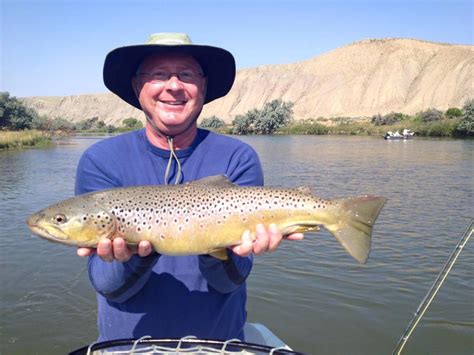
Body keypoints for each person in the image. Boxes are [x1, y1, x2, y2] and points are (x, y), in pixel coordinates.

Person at [75, 33, 304, 342]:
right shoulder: (101, 160)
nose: (173, 86)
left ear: (203, 87)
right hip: (127, 346)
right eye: (158, 75)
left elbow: (229, 282)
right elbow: (109, 286)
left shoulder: (238, 157)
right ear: (136, 87)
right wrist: (136, 255)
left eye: (186, 75)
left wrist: (223, 248)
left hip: (220, 344)